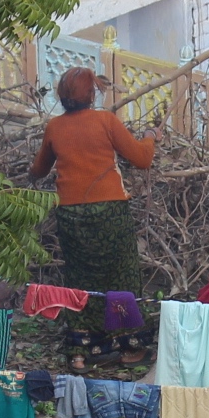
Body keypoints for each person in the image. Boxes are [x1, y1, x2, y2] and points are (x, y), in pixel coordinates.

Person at [31, 67, 160, 367]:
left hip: (70, 215)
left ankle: (80, 352)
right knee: (121, 277)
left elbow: (38, 170)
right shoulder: (105, 120)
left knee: (79, 279)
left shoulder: (54, 127)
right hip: (110, 211)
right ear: (90, 95)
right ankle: (128, 348)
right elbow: (142, 159)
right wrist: (150, 137)